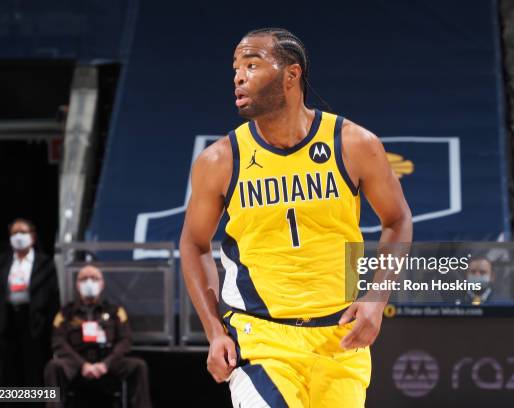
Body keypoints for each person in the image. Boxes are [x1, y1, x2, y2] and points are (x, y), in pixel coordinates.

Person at [180, 28, 412, 407]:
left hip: (339, 338)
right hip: (259, 338)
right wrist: (214, 331)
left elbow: (398, 219)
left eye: (252, 65)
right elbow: (193, 244)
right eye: (236, 68)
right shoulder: (220, 160)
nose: (238, 76)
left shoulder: (354, 144)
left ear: (292, 74)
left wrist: (375, 297)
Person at [44, 265, 152, 408]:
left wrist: (105, 364)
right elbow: (58, 341)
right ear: (77, 284)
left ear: (102, 283)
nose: (89, 282)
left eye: (94, 278)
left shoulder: (115, 311)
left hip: (108, 361)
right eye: (84, 279)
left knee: (138, 366)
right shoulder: (66, 313)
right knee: (53, 367)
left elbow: (125, 340)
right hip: (76, 362)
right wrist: (83, 365)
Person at [0, 218, 59, 386]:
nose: (18, 236)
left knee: (34, 370)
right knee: (5, 373)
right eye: (14, 233)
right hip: (5, 321)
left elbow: (53, 299)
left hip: (35, 324)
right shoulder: (0, 262)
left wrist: (53, 330)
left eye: (23, 232)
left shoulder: (45, 263)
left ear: (32, 237)